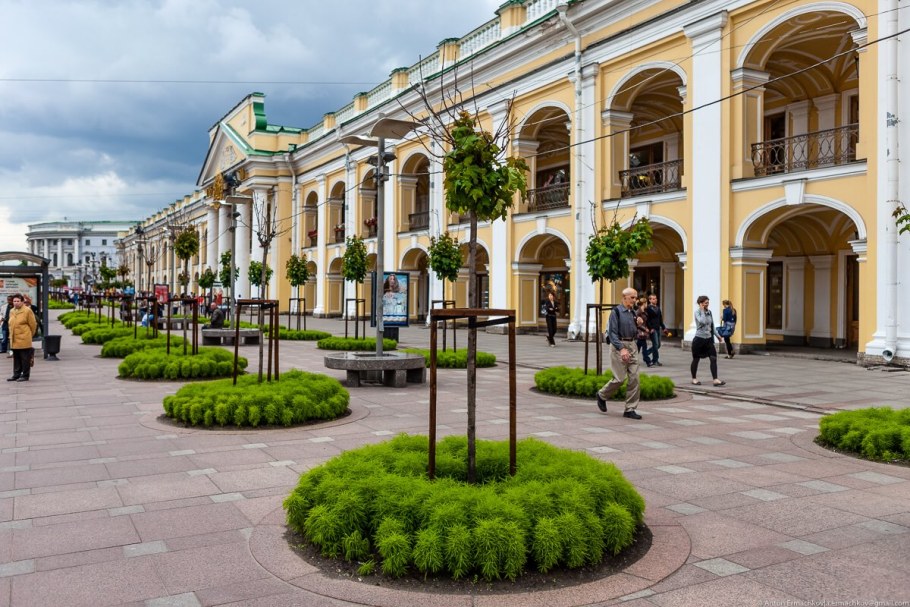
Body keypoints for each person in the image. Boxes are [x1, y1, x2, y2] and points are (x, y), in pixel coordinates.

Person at [595, 287, 643, 420]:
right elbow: (612, 333)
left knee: (635, 378)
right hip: (618, 346)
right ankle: (602, 395)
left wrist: (638, 323)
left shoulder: (632, 312)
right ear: (624, 297)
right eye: (632, 297)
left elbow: (632, 328)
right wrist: (622, 349)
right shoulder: (616, 312)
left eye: (635, 297)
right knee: (619, 379)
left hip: (632, 345)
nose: (635, 300)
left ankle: (630, 409)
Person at [691, 295, 725, 386]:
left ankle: (715, 379)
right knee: (696, 359)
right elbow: (702, 321)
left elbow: (712, 326)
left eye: (708, 302)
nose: (707, 304)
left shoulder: (709, 312)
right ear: (701, 304)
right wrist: (702, 310)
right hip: (699, 340)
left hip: (708, 340)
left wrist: (718, 336)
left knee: (713, 358)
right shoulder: (697, 312)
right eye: (706, 303)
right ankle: (694, 378)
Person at [7, 294, 37, 382]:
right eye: (14, 301)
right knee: (16, 358)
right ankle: (16, 374)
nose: (16, 303)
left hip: (24, 338)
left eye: (18, 301)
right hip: (14, 338)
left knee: (25, 358)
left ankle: (25, 375)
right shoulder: (12, 311)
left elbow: (33, 325)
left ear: (22, 302)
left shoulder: (27, 310)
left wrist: (29, 335)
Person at [645, 293, 666, 367]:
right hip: (652, 329)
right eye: (653, 299)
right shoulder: (648, 308)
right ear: (650, 300)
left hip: (658, 328)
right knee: (656, 344)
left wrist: (664, 328)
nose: (655, 300)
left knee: (658, 345)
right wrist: (650, 328)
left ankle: (646, 353)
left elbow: (660, 319)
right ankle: (655, 360)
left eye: (656, 298)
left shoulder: (658, 308)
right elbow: (647, 320)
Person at [635, 297, 652, 364]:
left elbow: (646, 322)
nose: (647, 304)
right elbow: (637, 323)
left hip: (643, 332)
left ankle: (633, 359)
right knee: (644, 347)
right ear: (644, 303)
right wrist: (645, 329)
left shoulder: (644, 311)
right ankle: (647, 360)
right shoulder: (638, 312)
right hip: (640, 332)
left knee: (638, 347)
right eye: (646, 303)